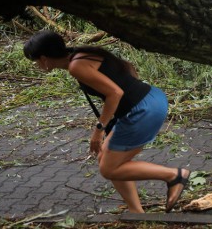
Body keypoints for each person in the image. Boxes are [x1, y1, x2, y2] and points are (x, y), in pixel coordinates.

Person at [23, 30, 189, 213]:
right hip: (152, 97)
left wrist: (99, 130)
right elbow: (128, 68)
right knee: (105, 159)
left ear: (44, 58)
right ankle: (136, 212)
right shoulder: (83, 53)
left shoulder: (76, 66)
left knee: (109, 169)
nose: (37, 65)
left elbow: (115, 93)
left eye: (35, 61)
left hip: (142, 111)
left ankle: (175, 175)